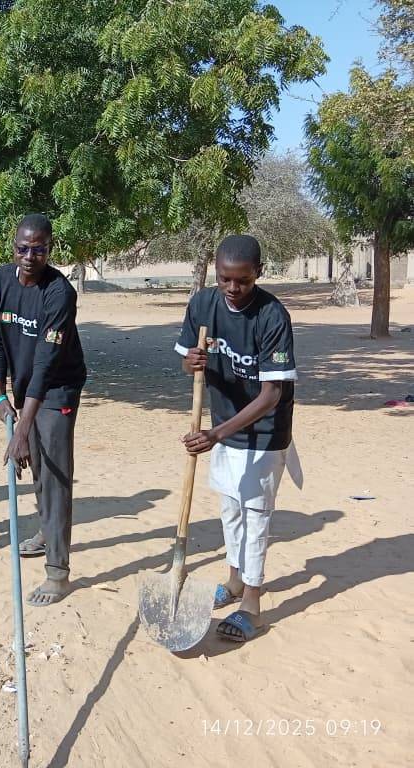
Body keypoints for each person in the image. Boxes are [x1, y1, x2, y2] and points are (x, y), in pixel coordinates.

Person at [177, 234, 303, 643]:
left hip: (264, 432)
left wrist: (216, 433)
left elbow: (272, 394)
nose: (233, 289)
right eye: (225, 280)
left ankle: (252, 603)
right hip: (223, 426)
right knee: (230, 508)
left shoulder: (272, 316)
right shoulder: (203, 305)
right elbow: (187, 361)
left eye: (243, 281)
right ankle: (233, 581)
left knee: (254, 515)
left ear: (258, 274)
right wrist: (190, 361)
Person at [0, 213, 87, 607]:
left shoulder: (59, 292)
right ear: (13, 248)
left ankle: (58, 573)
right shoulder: (0, 281)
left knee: (55, 471)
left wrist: (22, 430)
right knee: (38, 465)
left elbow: (46, 363)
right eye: (23, 248)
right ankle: (47, 530)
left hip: (58, 388)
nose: (30, 256)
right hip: (24, 387)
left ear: (50, 249)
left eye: (39, 249)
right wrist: (0, 397)